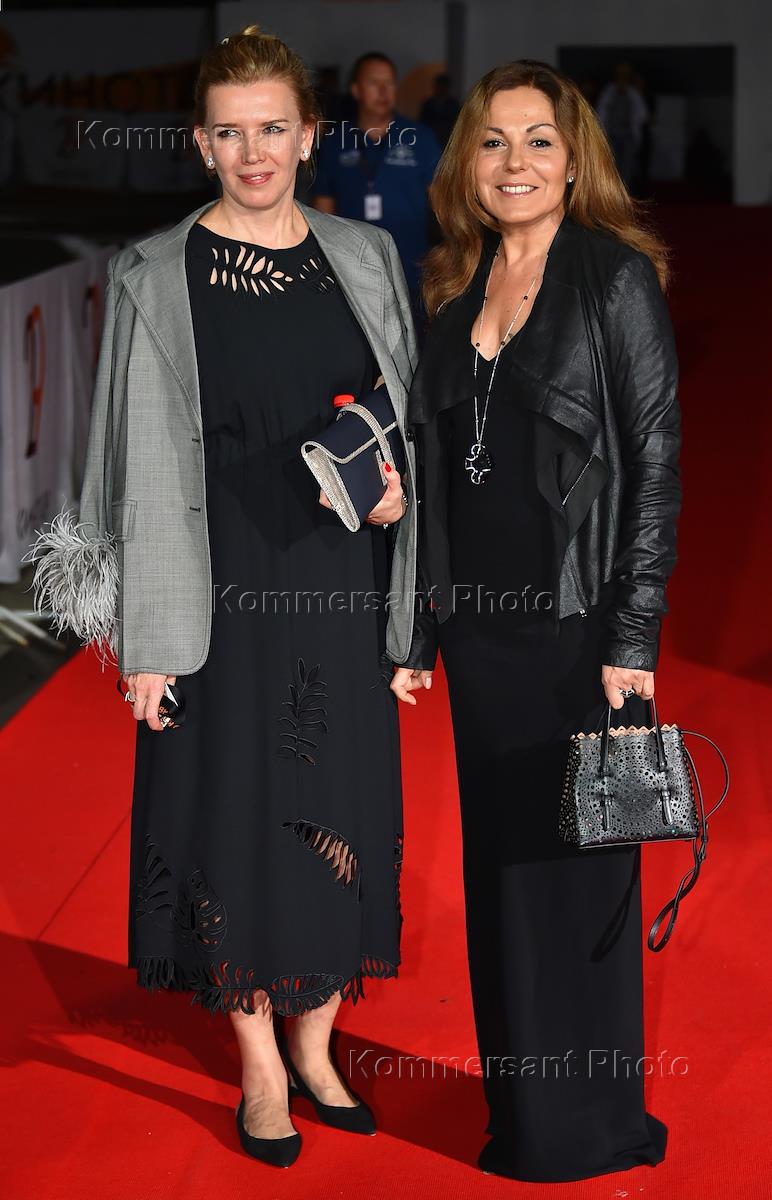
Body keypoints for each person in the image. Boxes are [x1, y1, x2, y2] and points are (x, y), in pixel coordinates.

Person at [25, 24, 420, 1169]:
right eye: (231, 133)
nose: (254, 153)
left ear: (307, 135)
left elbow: (408, 413)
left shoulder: (364, 256)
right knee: (233, 819)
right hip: (213, 588)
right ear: (202, 142)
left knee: (341, 811)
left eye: (273, 129)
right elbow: (115, 454)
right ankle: (259, 1065)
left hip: (339, 583)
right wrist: (140, 638)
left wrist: (400, 507)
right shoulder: (154, 270)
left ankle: (318, 1045)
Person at [393, 59, 680, 1182]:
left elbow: (654, 464)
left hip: (576, 628)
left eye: (539, 141)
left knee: (581, 875)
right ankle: (524, 1116)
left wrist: (632, 636)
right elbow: (439, 477)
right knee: (506, 876)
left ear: (574, 160)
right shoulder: (453, 285)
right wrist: (421, 627)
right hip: (483, 636)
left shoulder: (614, 278)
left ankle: (591, 1127)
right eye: (493, 141)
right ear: (466, 161)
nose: (514, 162)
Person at [311, 51, 441, 326]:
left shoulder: (420, 138)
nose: (384, 91)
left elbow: (445, 204)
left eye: (390, 83)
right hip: (352, 277)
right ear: (356, 90)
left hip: (411, 275)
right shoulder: (336, 141)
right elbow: (323, 210)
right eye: (374, 83)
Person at [595, 62, 649, 190]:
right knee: (612, 168)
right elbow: (600, 114)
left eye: (625, 73)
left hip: (629, 137)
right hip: (611, 137)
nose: (622, 76)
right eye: (620, 73)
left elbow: (643, 114)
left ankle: (627, 193)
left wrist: (632, 120)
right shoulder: (608, 92)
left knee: (628, 168)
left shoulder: (633, 93)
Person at [419, 72, 461, 149]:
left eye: (443, 86)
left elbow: (457, 123)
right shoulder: (428, 104)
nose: (441, 89)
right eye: (439, 86)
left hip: (448, 141)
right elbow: (422, 123)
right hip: (430, 140)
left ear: (447, 87)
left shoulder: (453, 104)